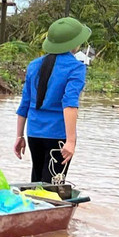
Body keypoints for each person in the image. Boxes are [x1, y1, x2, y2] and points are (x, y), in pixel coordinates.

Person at [14, 17, 90, 185]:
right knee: (52, 187)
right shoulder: (76, 67)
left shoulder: (34, 65)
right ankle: (50, 212)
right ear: (74, 43)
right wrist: (70, 141)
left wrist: (19, 136)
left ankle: (33, 211)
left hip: (34, 133)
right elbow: (69, 104)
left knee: (37, 183)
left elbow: (24, 103)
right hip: (58, 137)